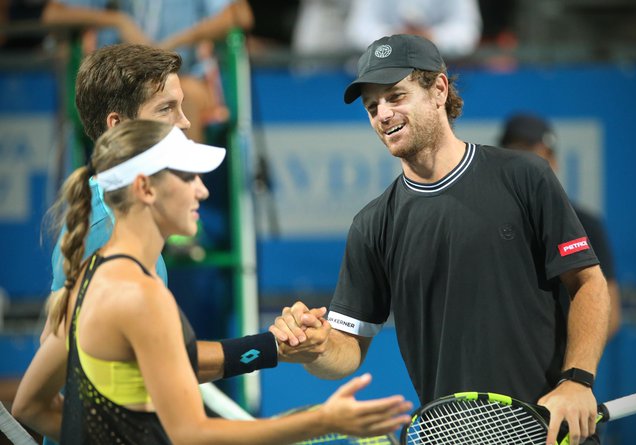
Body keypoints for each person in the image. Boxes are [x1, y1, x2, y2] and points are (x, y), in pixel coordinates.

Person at [269, 34, 610, 445]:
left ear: (439, 90)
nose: (383, 115)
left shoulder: (525, 176)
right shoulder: (372, 225)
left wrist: (577, 380)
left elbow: (589, 284)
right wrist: (315, 347)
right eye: (372, 106)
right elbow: (346, 350)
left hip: (551, 432)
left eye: (396, 96)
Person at [11, 119, 411, 443]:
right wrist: (323, 420)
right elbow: (192, 433)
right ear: (145, 188)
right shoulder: (141, 297)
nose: (202, 190)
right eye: (188, 177)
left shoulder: (91, 278)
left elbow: (29, 406)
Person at [31, 42, 314, 445]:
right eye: (166, 109)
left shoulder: (127, 225)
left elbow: (158, 360)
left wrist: (270, 348)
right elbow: (62, 363)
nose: (185, 122)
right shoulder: (103, 228)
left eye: (182, 106)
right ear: (119, 126)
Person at [41, 0, 255, 142]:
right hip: (126, 83)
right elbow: (53, 14)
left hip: (185, 76)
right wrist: (118, 21)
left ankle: (182, 192)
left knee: (179, 96)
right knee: (126, 103)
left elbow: (241, 15)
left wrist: (178, 42)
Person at [499, 112, 621, 339]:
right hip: (505, 365)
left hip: (566, 367)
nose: (523, 162)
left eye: (530, 152)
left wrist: (575, 365)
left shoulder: (586, 224)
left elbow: (610, 312)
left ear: (553, 160)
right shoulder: (488, 223)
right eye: (513, 152)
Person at [344, 0, 482, 59]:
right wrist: (395, 36)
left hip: (445, 70)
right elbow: (358, 30)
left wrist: (430, 37)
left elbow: (467, 32)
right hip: (384, 69)